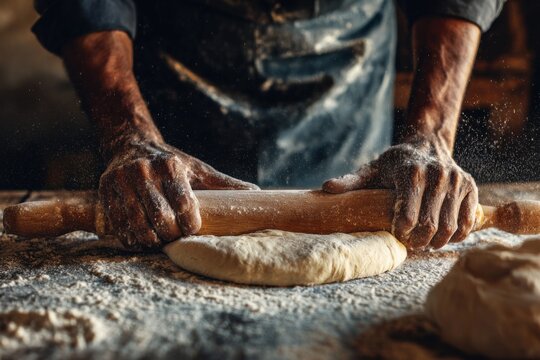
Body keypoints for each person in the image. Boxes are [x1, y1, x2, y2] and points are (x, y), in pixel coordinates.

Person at [32, 0, 504, 250]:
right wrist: (129, 135)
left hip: (345, 63)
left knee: (367, 222)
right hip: (170, 86)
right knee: (159, 213)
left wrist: (431, 135)